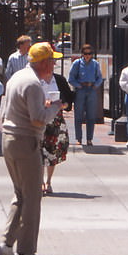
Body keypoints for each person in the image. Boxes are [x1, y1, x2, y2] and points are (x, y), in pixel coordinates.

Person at [0, 42, 60, 255]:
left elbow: (3, 114)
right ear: (43, 62)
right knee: (32, 198)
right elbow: (37, 118)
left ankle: (6, 244)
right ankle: (26, 252)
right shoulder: (33, 84)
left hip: (9, 140)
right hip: (26, 140)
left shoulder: (16, 78)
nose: (54, 64)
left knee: (20, 194)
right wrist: (55, 107)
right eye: (52, 60)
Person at [41, 62, 74, 195]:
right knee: (39, 151)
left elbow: (68, 102)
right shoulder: (36, 80)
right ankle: (40, 182)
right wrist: (44, 103)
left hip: (56, 120)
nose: (50, 65)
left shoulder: (59, 80)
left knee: (52, 151)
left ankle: (48, 181)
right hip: (40, 117)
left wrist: (61, 105)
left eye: (51, 62)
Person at [68, 43, 103, 146]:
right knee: (78, 115)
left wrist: (95, 86)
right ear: (82, 54)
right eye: (85, 53)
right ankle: (79, 138)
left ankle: (89, 139)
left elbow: (99, 77)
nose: (88, 55)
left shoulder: (95, 64)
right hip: (81, 90)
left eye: (90, 53)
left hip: (91, 90)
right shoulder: (77, 63)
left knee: (91, 116)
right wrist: (78, 86)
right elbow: (71, 78)